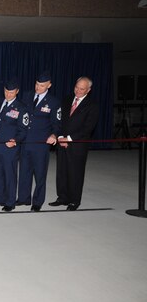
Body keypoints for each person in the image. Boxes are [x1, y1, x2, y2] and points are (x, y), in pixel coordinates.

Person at [52, 77, 99, 211]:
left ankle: (74, 200)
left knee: (75, 173)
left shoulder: (92, 105)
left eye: (82, 89)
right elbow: (59, 120)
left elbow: (88, 128)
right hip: (62, 142)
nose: (78, 91)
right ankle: (62, 197)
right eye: (76, 87)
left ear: (88, 90)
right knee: (61, 171)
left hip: (77, 145)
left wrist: (69, 138)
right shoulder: (66, 100)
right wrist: (61, 137)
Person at [17, 71, 61, 212]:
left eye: (42, 85)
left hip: (41, 144)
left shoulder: (53, 102)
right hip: (25, 141)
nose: (38, 87)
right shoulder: (27, 96)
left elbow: (57, 123)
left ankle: (37, 201)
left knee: (40, 174)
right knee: (24, 172)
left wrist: (54, 135)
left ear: (49, 85)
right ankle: (23, 198)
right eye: (37, 84)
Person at [0, 79, 28, 212]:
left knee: (9, 174)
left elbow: (23, 129)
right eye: (6, 91)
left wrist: (15, 140)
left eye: (11, 92)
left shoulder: (21, 107)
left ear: (17, 92)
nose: (8, 94)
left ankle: (10, 201)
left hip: (9, 147)